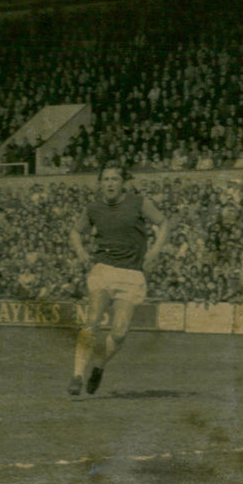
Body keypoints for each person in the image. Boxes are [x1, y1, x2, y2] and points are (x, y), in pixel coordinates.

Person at [68, 164, 170, 396]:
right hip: (103, 269)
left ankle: (99, 367)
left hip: (132, 274)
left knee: (120, 332)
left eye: (115, 179)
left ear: (123, 183)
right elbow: (75, 232)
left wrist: (155, 251)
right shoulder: (93, 209)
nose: (110, 183)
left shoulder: (138, 203)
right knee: (93, 319)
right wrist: (82, 252)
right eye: (106, 179)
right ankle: (76, 376)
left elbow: (164, 223)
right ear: (100, 183)